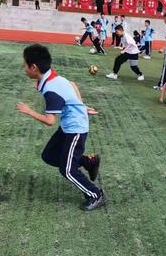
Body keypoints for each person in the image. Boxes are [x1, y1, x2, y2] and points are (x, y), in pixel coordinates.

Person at [17, 44, 106, 211]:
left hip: (76, 129)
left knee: (67, 170)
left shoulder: (51, 89)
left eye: (25, 65)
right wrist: (80, 105)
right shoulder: (51, 76)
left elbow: (50, 120)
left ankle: (96, 194)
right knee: (49, 156)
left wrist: (29, 111)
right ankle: (88, 162)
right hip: (67, 126)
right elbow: (72, 84)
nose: (24, 68)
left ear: (34, 67)